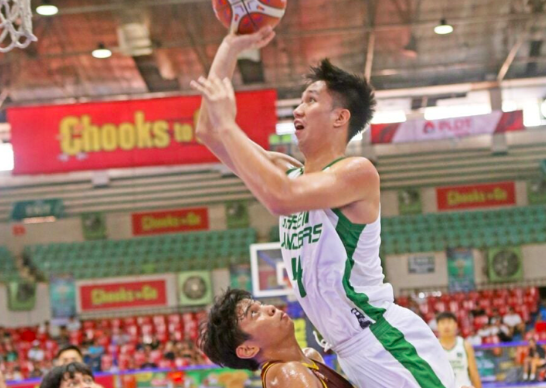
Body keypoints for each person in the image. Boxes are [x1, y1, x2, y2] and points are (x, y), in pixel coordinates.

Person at [193, 26, 456, 388]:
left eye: (311, 100)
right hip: (348, 352)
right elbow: (209, 131)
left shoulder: (355, 173)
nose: (298, 109)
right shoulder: (288, 172)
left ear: (340, 117)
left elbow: (280, 198)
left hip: (386, 343)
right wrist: (230, 46)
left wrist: (228, 123)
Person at [199, 288, 353, 388]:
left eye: (260, 305)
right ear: (247, 349)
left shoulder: (309, 357)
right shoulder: (288, 374)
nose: (270, 308)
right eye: (253, 313)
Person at [436, 313, 482, 388]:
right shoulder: (434, 346)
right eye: (443, 323)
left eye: (449, 322)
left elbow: (474, 373)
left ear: (455, 325)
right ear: (437, 326)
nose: (446, 326)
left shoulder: (465, 345)